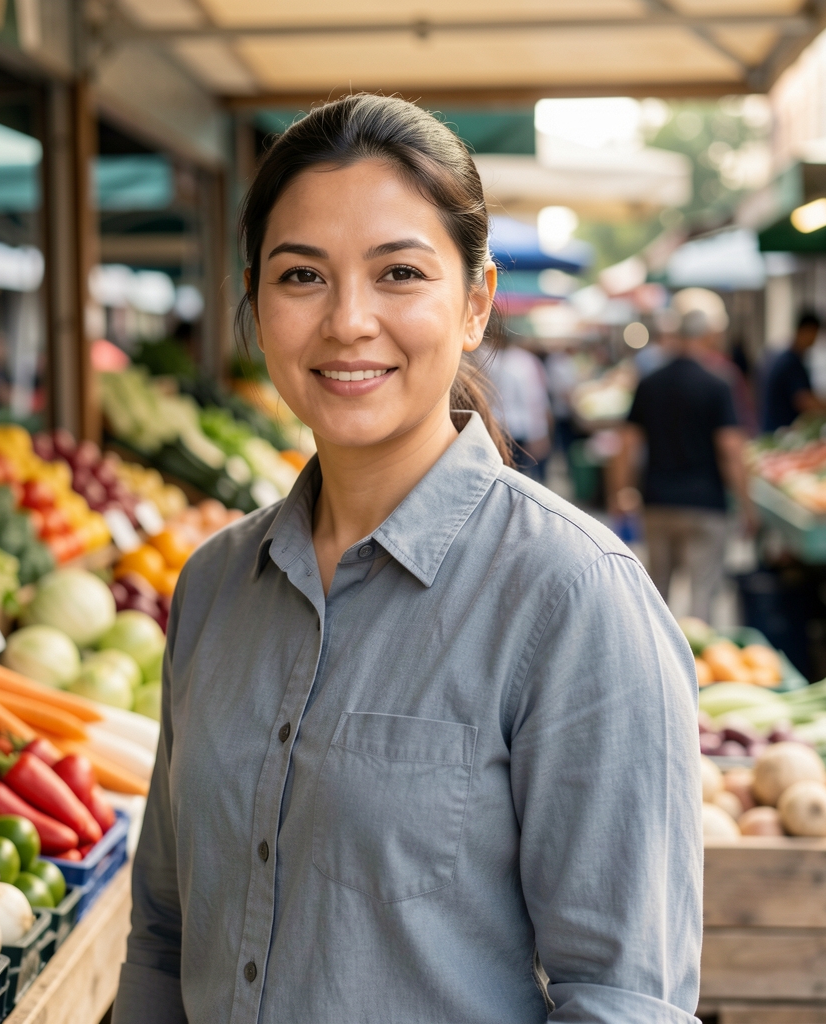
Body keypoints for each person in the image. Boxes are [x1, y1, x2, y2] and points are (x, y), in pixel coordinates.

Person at [114, 95, 701, 1024]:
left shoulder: (574, 599)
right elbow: (163, 933)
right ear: (256, 307)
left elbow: (623, 999)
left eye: (399, 273)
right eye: (301, 275)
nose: (348, 321)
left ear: (474, 304)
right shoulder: (215, 584)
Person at [611, 308, 758, 622]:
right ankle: (697, 666)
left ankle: (653, 666)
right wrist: (747, 506)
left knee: (656, 594)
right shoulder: (719, 384)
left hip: (658, 501)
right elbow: (731, 449)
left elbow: (627, 443)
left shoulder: (651, 382)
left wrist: (620, 492)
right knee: (702, 597)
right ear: (708, 337)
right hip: (706, 505)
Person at [761, 311, 826, 432]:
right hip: (781, 432)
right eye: (814, 333)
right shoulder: (790, 362)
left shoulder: (791, 358)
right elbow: (804, 401)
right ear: (806, 330)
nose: (815, 339)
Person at [484, 334, 551, 477]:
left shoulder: (487, 357)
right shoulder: (523, 361)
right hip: (515, 428)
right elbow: (535, 399)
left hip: (499, 427)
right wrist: (539, 432)